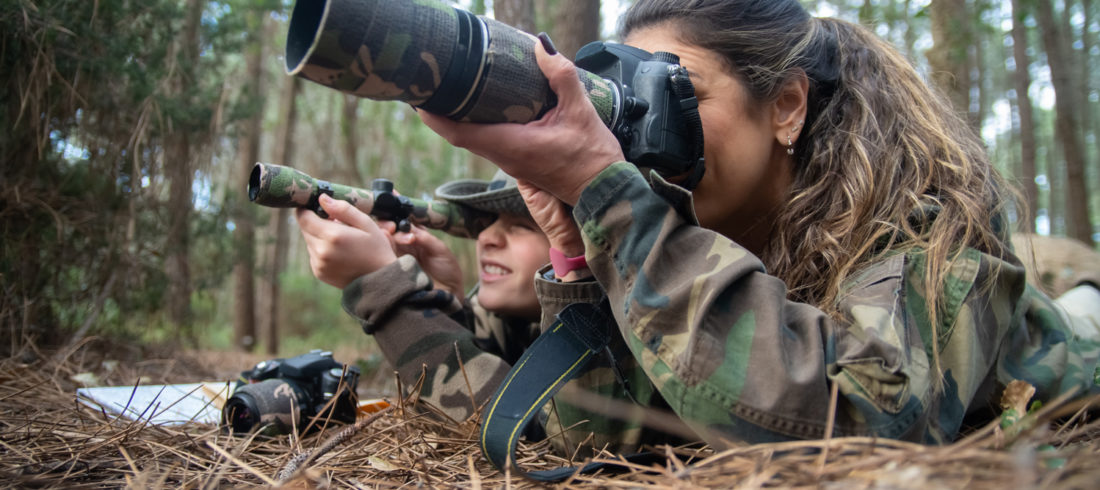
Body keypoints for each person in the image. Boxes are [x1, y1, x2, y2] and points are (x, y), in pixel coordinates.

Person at [417, 0, 1100, 447]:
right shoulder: (691, 238)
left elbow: (864, 419)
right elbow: (614, 448)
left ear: (787, 106)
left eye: (679, 92)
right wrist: (574, 253)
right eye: (631, 106)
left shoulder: (921, 224)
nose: (650, 133)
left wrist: (616, 204)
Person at [295, 170, 552, 423]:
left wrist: (382, 287)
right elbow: (453, 405)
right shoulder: (512, 322)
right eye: (488, 223)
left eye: (522, 226)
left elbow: (519, 426)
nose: (485, 237)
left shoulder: (593, 331)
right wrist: (443, 305)